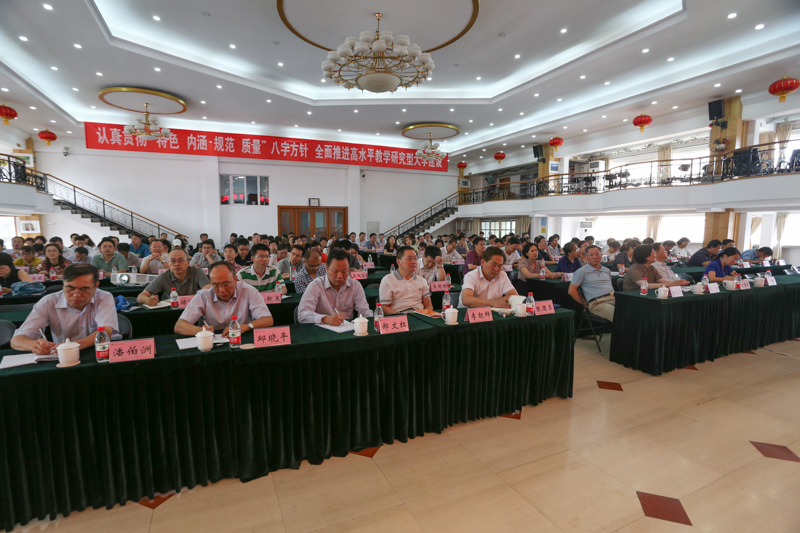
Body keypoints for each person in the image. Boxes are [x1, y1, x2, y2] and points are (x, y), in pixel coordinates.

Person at [11, 264, 120, 353]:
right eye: (70, 288)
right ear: (63, 284)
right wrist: (33, 345)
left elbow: (105, 332)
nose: (76, 294)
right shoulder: (49, 302)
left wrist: (72, 345)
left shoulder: (104, 297)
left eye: (84, 289)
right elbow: (16, 340)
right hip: (63, 354)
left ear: (96, 286)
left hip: (100, 350)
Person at [175, 261, 273, 336]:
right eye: (216, 285)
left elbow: (267, 319)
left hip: (241, 339)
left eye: (226, 284)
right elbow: (179, 326)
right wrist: (202, 330)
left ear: (235, 279)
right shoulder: (203, 295)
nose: (221, 290)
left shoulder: (249, 291)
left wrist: (245, 327)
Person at [297, 249, 373, 324]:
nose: (340, 276)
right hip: (322, 329)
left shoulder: (355, 285)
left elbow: (365, 312)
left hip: (348, 328)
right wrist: (324, 319)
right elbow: (302, 315)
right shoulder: (316, 285)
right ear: (327, 268)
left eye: (344, 272)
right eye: (335, 271)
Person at [137, 249, 211, 305]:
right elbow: (140, 296)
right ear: (168, 263)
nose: (176, 264)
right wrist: (148, 300)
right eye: (172, 261)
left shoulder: (197, 272)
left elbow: (207, 291)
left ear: (188, 263)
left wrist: (183, 300)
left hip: (196, 309)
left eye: (180, 260)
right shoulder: (164, 277)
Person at [379, 246, 433, 314]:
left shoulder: (421, 280)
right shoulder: (388, 280)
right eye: (409, 258)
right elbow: (384, 307)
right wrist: (400, 317)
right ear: (399, 261)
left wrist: (425, 315)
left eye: (415, 258)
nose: (414, 262)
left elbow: (428, 305)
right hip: (399, 315)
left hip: (419, 314)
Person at [568, 245, 616, 322]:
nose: (594, 257)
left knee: (631, 310)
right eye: (591, 255)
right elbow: (571, 291)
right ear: (586, 257)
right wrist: (585, 303)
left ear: (601, 255)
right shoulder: (581, 271)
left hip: (613, 298)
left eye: (597, 254)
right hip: (597, 303)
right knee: (619, 315)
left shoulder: (606, 270)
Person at [622, 244, 690, 291]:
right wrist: (672, 284)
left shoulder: (651, 267)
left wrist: (678, 283)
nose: (655, 255)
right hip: (633, 297)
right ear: (647, 257)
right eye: (653, 253)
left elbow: (663, 281)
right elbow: (645, 285)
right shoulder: (634, 269)